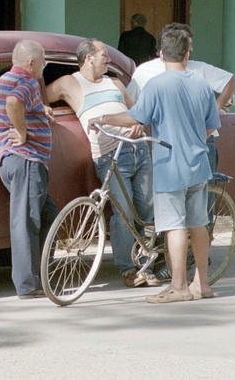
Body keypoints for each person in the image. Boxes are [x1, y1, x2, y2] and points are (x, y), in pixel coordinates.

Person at [90, 24, 220, 303]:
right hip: (198, 164)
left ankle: (179, 287)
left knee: (174, 226)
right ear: (187, 54)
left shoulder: (157, 85)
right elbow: (211, 127)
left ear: (161, 55)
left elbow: (135, 118)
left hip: (169, 165)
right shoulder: (201, 83)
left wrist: (104, 119)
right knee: (199, 225)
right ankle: (203, 284)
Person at [46, 39, 160, 288]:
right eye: (103, 55)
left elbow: (136, 112)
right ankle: (128, 269)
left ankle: (145, 266)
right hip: (110, 155)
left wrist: (138, 124)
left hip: (138, 149)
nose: (107, 60)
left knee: (146, 211)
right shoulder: (69, 83)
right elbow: (40, 94)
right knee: (124, 213)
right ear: (88, 58)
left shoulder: (115, 82)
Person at [127, 23, 235, 177]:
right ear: (163, 49)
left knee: (205, 191)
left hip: (202, 139)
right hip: (166, 140)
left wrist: (215, 108)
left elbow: (231, 81)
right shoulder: (145, 72)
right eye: (186, 45)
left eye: (189, 45)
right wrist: (136, 122)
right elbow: (131, 103)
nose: (190, 50)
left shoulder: (198, 69)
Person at [0, 39, 58, 299]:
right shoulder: (28, 81)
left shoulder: (7, 78)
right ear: (31, 62)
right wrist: (21, 132)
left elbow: (19, 101)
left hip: (18, 161)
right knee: (26, 221)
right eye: (43, 61)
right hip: (25, 159)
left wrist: (41, 109)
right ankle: (28, 285)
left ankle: (42, 275)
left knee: (49, 215)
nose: (44, 65)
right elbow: (13, 103)